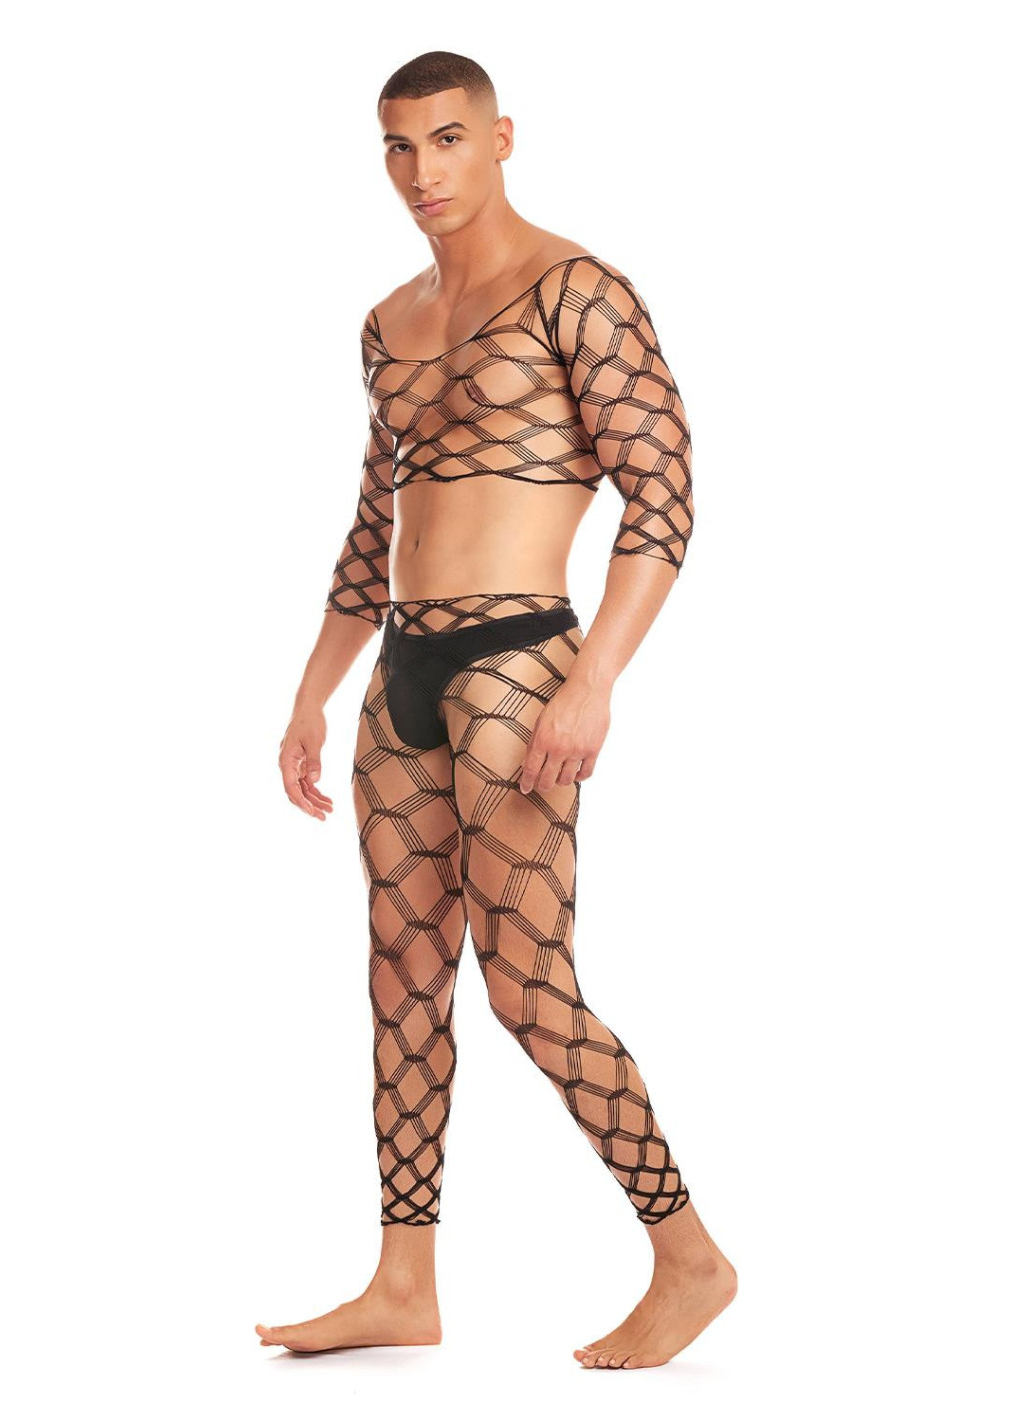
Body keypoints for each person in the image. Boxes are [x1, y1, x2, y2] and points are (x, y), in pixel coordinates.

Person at [257, 50, 736, 1370]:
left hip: (522, 660)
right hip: (401, 669)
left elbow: (664, 497)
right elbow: (377, 526)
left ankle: (690, 1256)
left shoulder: (578, 290)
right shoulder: (388, 321)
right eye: (400, 147)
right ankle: (402, 1282)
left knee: (529, 984)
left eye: (449, 139)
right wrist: (311, 691)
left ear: (502, 137)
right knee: (403, 975)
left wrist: (596, 679)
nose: (424, 171)